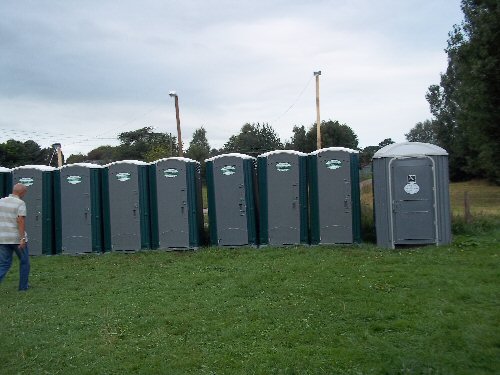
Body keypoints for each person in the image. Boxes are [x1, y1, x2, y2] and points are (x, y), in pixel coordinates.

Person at [0, 183, 30, 291]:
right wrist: (22, 238)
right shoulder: (20, 203)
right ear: (22, 192)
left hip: (2, 238)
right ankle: (23, 287)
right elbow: (21, 221)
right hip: (16, 238)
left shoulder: (1, 201)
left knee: (3, 264)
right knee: (24, 261)